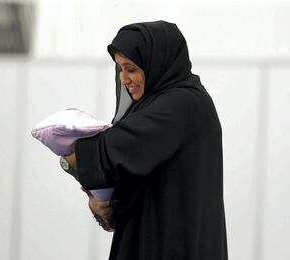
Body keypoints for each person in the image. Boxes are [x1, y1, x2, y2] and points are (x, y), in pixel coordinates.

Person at [62, 20, 228, 260]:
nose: (123, 79)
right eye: (119, 69)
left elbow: (114, 150)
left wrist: (68, 155)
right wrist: (109, 205)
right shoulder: (168, 101)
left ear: (156, 64)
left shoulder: (181, 104)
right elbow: (144, 178)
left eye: (131, 68)